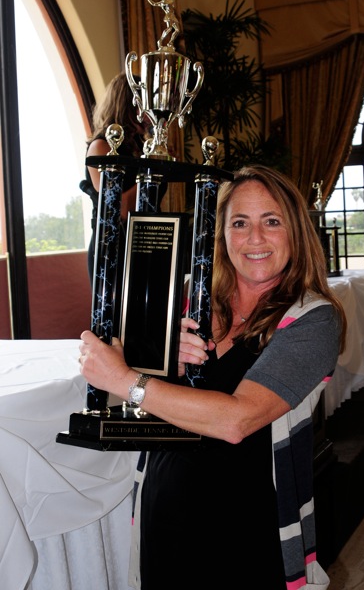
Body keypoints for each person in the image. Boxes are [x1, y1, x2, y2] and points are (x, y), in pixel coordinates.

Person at [78, 164, 347, 590]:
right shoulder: (185, 300)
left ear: (295, 231)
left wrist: (129, 378)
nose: (254, 238)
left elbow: (236, 421)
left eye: (271, 221)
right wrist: (155, 370)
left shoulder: (312, 320)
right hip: (163, 523)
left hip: (246, 538)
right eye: (239, 222)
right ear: (219, 233)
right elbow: (130, 412)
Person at [82, 72, 153, 285]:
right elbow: (118, 208)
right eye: (144, 105)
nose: (149, 114)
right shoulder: (101, 146)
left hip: (143, 244)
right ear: (128, 105)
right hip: (111, 248)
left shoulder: (141, 147)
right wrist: (149, 173)